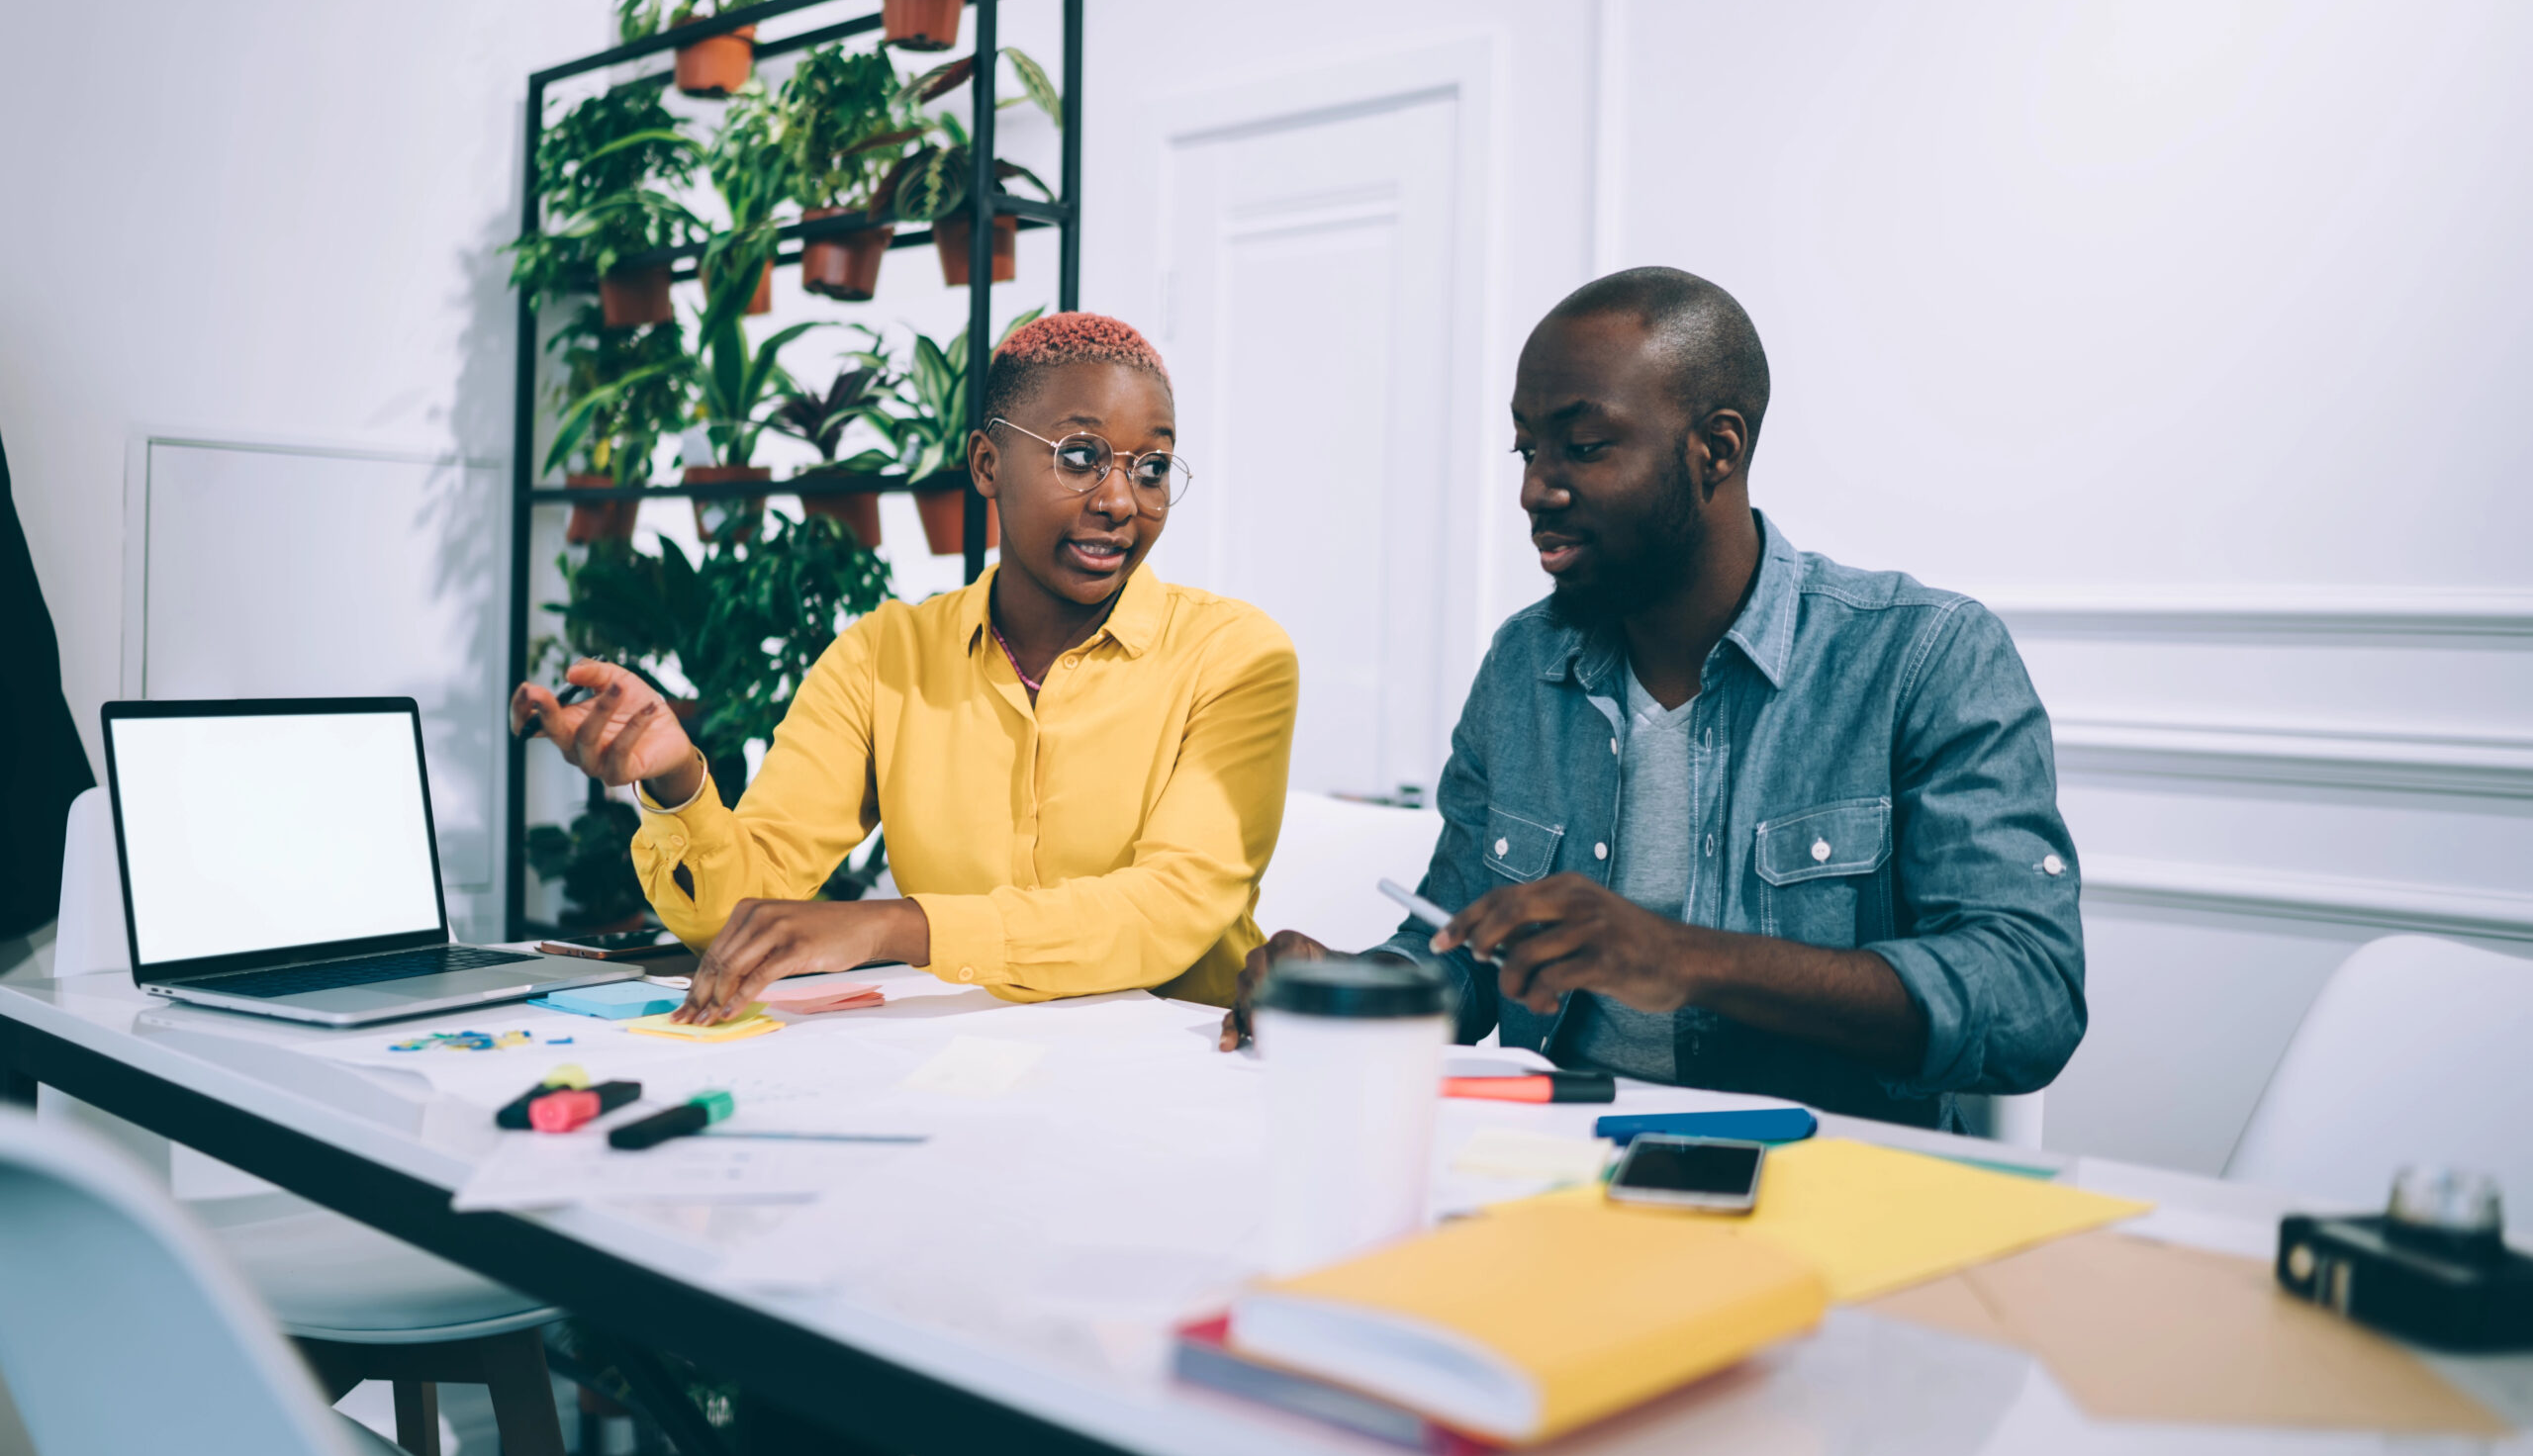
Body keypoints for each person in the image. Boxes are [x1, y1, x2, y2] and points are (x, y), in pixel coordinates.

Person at [1223, 268, 2085, 1129]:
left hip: (1822, 1180)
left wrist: (1684, 959)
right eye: (1528, 449)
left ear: (1717, 449)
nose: (1536, 489)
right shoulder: (1526, 664)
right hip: (1553, 1162)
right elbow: (1461, 949)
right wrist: (1354, 984)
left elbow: (2030, 995)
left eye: (1584, 447)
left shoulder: (1922, 657)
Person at [515, 312, 1299, 1021]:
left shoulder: (1235, 657)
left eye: (1152, 468)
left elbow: (1169, 910)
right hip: (960, 1074)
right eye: (1081, 456)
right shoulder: (882, 657)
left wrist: (898, 924)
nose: (1121, 500)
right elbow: (744, 909)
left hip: (1172, 1079)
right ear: (988, 465)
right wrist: (676, 780)